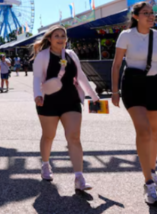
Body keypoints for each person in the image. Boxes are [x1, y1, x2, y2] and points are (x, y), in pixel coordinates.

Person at [111, 2, 157, 207]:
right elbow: (116, 64)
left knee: (154, 133)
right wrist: (115, 91)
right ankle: (148, 184)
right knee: (144, 132)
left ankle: (152, 171)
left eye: (152, 13)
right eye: (146, 14)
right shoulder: (126, 35)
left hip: (155, 85)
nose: (151, 17)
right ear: (135, 16)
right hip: (132, 85)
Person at [32, 25, 100, 191]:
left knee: (74, 137)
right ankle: (46, 165)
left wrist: (93, 95)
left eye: (63, 36)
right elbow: (37, 78)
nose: (61, 38)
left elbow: (81, 76)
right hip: (48, 101)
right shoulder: (42, 56)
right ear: (50, 39)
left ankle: (79, 177)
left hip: (71, 100)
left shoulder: (71, 55)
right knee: (48, 136)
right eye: (57, 36)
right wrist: (37, 95)